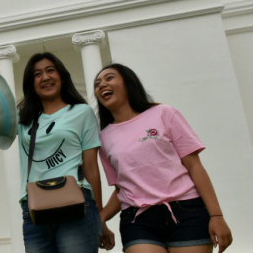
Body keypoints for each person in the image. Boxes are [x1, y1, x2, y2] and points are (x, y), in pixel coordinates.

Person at [94, 64, 233, 253]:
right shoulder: (104, 138)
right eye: (97, 83)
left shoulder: (163, 113)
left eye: (109, 78)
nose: (101, 85)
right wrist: (100, 219)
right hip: (137, 220)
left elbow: (194, 167)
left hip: (187, 212)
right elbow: (122, 188)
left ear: (128, 83)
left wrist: (216, 215)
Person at [0, 51, 113, 252]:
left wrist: (99, 217)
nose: (45, 77)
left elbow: (91, 168)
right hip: (35, 209)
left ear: (61, 76)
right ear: (31, 84)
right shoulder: (24, 119)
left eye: (50, 70)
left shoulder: (81, 112)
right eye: (37, 74)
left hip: (77, 206)